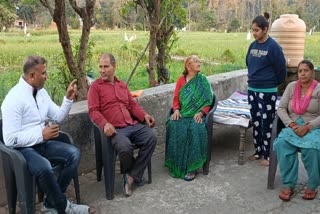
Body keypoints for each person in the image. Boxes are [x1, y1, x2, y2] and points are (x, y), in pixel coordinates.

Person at [1, 56, 90, 214]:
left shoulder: (41, 93)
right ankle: (63, 207)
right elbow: (9, 139)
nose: (46, 76)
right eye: (44, 73)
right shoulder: (13, 99)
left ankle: (50, 203)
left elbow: (57, 116)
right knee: (44, 167)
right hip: (22, 150)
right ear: (32, 76)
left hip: (42, 143)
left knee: (74, 154)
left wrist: (68, 99)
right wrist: (41, 134)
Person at [88, 53, 157, 197]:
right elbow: (93, 111)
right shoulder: (95, 87)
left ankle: (130, 176)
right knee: (125, 147)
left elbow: (132, 105)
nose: (102, 70)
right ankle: (135, 174)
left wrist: (145, 116)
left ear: (114, 67)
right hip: (116, 130)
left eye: (106, 67)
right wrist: (105, 123)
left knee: (151, 137)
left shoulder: (122, 85)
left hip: (131, 124)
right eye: (100, 67)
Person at [274, 60, 320, 201]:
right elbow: (281, 108)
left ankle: (312, 185)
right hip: (293, 126)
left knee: (312, 149)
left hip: (312, 126)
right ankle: (289, 183)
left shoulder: (318, 89)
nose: (302, 73)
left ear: (312, 72)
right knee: (282, 143)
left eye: (306, 70)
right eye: (300, 71)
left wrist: (308, 127)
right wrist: (292, 124)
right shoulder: (291, 87)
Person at [246, 15, 287, 166]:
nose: (254, 33)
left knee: (267, 123)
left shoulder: (273, 47)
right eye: (252, 30)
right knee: (256, 122)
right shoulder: (253, 46)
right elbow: (248, 63)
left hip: (268, 91)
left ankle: (268, 155)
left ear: (265, 29)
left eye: (257, 30)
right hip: (252, 90)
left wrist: (272, 84)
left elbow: (281, 70)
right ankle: (258, 152)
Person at [165, 55, 213, 181]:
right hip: (184, 112)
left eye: (199, 60)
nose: (199, 62)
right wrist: (176, 110)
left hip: (197, 114)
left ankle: (192, 167)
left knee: (195, 128)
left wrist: (202, 113)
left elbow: (208, 100)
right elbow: (176, 98)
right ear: (188, 66)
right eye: (195, 61)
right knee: (173, 124)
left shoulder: (203, 80)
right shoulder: (181, 80)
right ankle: (176, 164)